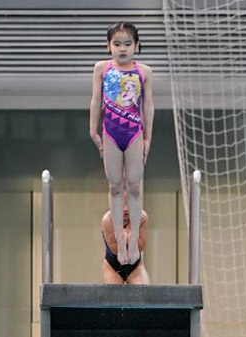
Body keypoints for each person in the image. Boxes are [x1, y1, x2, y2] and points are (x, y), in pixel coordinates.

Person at [90, 21, 154, 267]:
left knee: (135, 186)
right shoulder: (101, 69)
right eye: (117, 44)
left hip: (134, 131)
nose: (122, 49)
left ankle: (134, 238)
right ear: (108, 46)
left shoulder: (144, 71)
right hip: (111, 132)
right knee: (115, 186)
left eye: (128, 44)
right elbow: (96, 101)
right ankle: (118, 238)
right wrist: (93, 130)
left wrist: (148, 137)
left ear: (137, 46)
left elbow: (147, 106)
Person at [101, 202, 149, 285]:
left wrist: (129, 232)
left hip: (135, 266)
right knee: (115, 296)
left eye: (129, 203)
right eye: (121, 203)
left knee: (142, 293)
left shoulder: (141, 217)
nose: (126, 209)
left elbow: (141, 247)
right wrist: (129, 233)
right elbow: (116, 251)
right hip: (112, 266)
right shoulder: (107, 219)